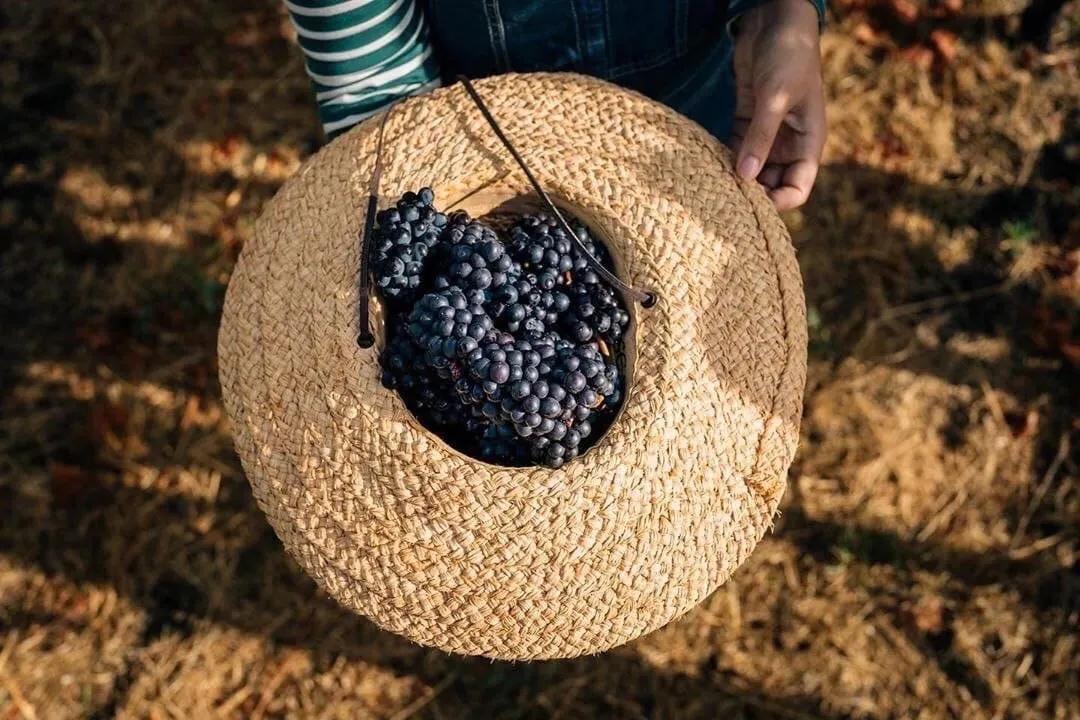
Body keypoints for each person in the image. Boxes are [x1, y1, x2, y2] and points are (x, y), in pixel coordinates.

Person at [282, 0, 827, 210]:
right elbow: (370, 56)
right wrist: (408, 168)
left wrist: (783, 12)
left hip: (697, 106)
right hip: (482, 149)